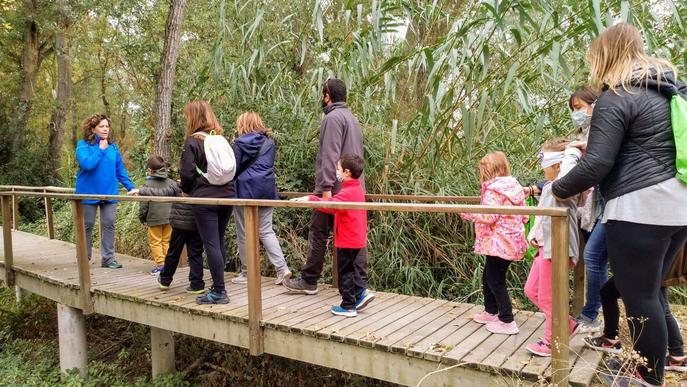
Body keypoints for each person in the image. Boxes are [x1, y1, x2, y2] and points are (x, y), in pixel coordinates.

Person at [552, 23, 687, 386]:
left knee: (639, 298)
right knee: (650, 291)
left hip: (639, 208)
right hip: (679, 208)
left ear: (604, 56)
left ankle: (649, 378)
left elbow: (597, 164)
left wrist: (557, 188)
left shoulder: (618, 96)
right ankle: (657, 370)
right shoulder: (670, 92)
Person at [284, 79, 372, 306]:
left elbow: (329, 156)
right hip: (354, 189)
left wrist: (324, 189)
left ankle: (309, 280)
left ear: (327, 95)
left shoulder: (332, 118)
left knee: (318, 232)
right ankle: (361, 286)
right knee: (355, 238)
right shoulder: (352, 118)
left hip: (334, 189)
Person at [291, 155, 370, 317]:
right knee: (353, 268)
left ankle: (348, 305)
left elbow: (330, 205)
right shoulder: (357, 189)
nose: (337, 172)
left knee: (345, 271)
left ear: (347, 172)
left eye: (339, 169)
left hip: (347, 240)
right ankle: (361, 292)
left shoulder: (348, 192)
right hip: (356, 238)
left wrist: (310, 199)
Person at [524, 138, 582, 357]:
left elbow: (566, 176)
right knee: (531, 290)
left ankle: (552, 341)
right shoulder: (549, 187)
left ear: (559, 165)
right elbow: (542, 216)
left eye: (544, 162)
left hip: (558, 247)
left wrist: (571, 153)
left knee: (549, 296)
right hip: (544, 246)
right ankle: (566, 323)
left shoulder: (564, 187)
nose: (541, 167)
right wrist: (533, 234)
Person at [461, 151, 528, 335]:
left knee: (495, 279)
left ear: (489, 171)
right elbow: (524, 215)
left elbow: (488, 216)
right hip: (511, 240)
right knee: (489, 275)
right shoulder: (514, 187)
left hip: (499, 242)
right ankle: (491, 311)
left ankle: (507, 320)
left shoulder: (493, 190)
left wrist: (466, 213)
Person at [179, 100, 235, 305]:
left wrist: (187, 190)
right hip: (227, 195)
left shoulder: (193, 141)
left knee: (210, 243)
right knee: (218, 241)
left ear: (193, 117)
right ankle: (218, 286)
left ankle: (219, 290)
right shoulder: (220, 139)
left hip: (204, 198)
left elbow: (186, 172)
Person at [230, 112, 292, 285]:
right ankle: (282, 269)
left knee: (244, 232)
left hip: (244, 191)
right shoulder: (269, 142)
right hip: (266, 189)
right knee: (266, 230)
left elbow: (234, 169)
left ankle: (247, 272)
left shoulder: (239, 144)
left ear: (242, 125)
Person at [568, 86, 608, 334]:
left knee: (594, 258)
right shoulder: (583, 133)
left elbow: (599, 164)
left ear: (595, 105)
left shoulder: (603, 131)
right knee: (594, 259)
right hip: (585, 208)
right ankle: (597, 317)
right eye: (574, 109)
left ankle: (592, 314)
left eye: (580, 107)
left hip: (602, 205)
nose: (577, 113)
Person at [75, 113, 137, 269]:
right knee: (87, 225)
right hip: (88, 193)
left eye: (107, 126)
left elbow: (119, 170)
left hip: (109, 193)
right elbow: (87, 165)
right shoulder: (82, 145)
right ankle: (84, 257)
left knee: (109, 224)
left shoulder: (113, 147)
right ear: (93, 129)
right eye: (101, 126)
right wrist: (101, 150)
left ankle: (108, 259)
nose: (105, 129)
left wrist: (131, 187)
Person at [137, 180, 206, 294]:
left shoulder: (179, 184)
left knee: (173, 252)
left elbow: (160, 192)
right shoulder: (203, 183)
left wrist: (140, 190)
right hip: (197, 221)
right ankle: (197, 284)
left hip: (180, 222)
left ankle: (165, 280)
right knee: (195, 253)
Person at [138, 156, 175, 275]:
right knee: (166, 241)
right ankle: (167, 264)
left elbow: (144, 205)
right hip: (169, 217)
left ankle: (160, 265)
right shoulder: (171, 183)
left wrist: (142, 217)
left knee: (156, 241)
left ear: (150, 169)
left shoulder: (147, 184)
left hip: (154, 217)